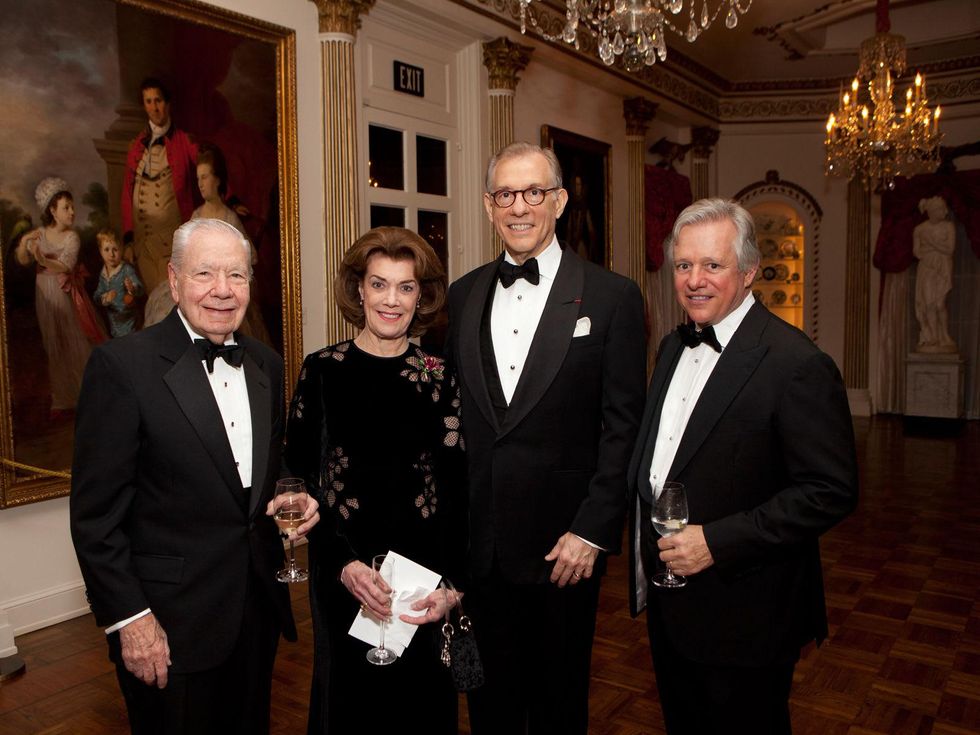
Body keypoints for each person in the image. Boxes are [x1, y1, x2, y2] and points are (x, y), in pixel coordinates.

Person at [70, 218, 319, 735]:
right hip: (167, 622)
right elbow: (96, 520)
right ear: (175, 279)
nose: (223, 290)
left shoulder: (267, 365)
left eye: (237, 274)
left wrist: (292, 494)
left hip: (255, 611)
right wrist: (132, 621)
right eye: (205, 273)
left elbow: (261, 469)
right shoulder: (122, 368)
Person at [627, 198, 859, 734]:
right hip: (672, 604)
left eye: (713, 265)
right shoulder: (669, 346)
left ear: (749, 271)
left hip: (746, 612)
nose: (694, 280)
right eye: (684, 265)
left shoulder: (795, 364)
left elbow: (830, 489)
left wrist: (719, 542)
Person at [445, 142, 646, 734]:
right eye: (506, 194)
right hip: (482, 550)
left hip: (565, 550)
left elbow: (623, 427)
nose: (519, 207)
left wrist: (593, 529)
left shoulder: (612, 298)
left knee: (559, 706)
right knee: (489, 707)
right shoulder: (463, 295)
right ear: (488, 206)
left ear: (558, 201)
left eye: (533, 192)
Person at [283, 226, 466, 735]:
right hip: (344, 572)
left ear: (420, 296)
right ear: (358, 290)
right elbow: (295, 478)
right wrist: (343, 565)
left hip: (422, 588)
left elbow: (457, 487)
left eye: (405, 287)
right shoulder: (321, 371)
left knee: (421, 710)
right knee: (350, 712)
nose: (392, 300)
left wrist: (451, 585)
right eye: (379, 284)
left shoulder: (439, 375)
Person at [15, 177, 106, 417]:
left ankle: (88, 392)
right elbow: (23, 260)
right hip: (43, 291)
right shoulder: (41, 234)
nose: (72, 212)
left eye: (72, 206)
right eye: (66, 207)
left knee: (74, 339)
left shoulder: (72, 237)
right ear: (52, 211)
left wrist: (42, 259)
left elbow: (65, 266)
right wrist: (25, 243)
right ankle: (62, 397)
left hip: (64, 292)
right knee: (52, 341)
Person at [121, 77, 199, 294]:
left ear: (167, 103)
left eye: (158, 101)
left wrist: (228, 198)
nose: (154, 107)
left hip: (170, 241)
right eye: (148, 102)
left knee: (171, 299)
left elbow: (209, 172)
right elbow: (127, 195)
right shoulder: (136, 146)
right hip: (142, 244)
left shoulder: (184, 140)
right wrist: (128, 237)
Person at [912, 195, 957, 353]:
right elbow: (917, 252)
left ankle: (944, 335)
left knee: (940, 304)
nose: (943, 212)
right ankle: (932, 337)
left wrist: (931, 243)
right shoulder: (920, 229)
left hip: (942, 267)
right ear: (931, 211)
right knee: (929, 303)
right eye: (939, 209)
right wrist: (934, 249)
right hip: (927, 268)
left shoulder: (948, 227)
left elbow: (949, 249)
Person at [94, 229, 144, 337]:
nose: (111, 254)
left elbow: (140, 289)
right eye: (106, 250)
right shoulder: (103, 274)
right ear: (100, 251)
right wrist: (105, 298)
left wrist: (132, 288)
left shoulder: (126, 269)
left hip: (130, 321)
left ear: (121, 250)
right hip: (114, 324)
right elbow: (97, 296)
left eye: (115, 249)